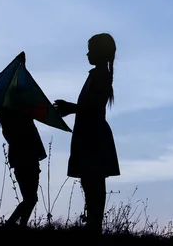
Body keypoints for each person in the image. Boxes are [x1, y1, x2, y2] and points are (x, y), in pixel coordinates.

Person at [53, 33, 120, 236]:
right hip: (90, 133)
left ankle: (94, 227)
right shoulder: (98, 75)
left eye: (91, 49)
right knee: (90, 181)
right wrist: (71, 108)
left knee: (93, 182)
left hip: (93, 135)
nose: (87, 53)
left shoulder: (100, 76)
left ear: (100, 52)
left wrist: (70, 108)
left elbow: (92, 108)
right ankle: (93, 225)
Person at [0, 105, 46, 227]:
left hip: (26, 160)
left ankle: (19, 225)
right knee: (30, 199)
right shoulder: (15, 121)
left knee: (30, 198)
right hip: (25, 160)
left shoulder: (12, 119)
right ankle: (11, 225)